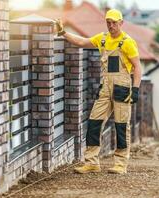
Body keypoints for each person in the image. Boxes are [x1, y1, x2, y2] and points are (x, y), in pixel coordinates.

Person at [56, 9, 142, 174]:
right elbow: (82, 42)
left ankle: (120, 164)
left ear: (121, 23)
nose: (111, 25)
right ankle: (92, 163)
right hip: (106, 87)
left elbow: (137, 66)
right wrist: (63, 33)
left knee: (121, 126)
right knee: (94, 122)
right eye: (108, 22)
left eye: (114, 22)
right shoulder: (102, 39)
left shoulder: (127, 42)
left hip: (122, 87)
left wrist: (136, 89)